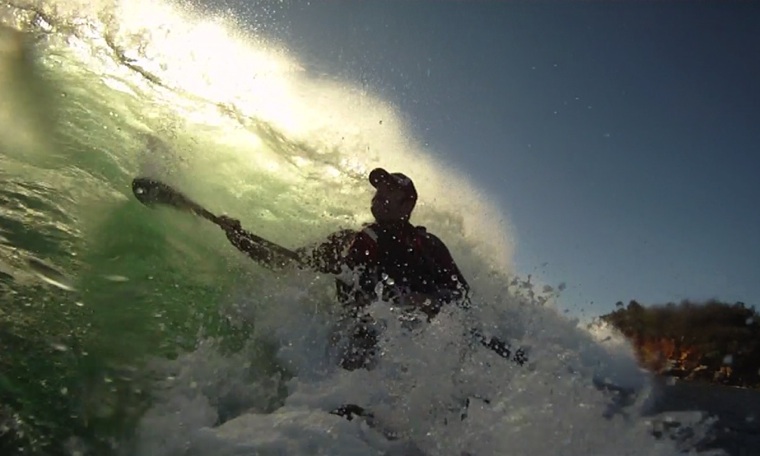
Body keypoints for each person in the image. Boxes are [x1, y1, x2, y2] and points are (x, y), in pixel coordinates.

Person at [217, 168, 470, 370]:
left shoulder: (429, 246)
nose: (380, 192)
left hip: (412, 352)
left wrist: (425, 301)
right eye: (379, 187)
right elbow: (289, 262)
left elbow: (463, 299)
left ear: (407, 205)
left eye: (390, 189)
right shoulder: (349, 241)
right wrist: (240, 238)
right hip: (354, 342)